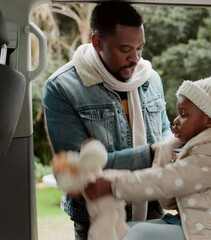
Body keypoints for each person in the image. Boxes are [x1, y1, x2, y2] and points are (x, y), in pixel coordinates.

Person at [42, 2, 172, 240]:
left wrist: (175, 151)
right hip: (99, 215)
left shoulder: (151, 78)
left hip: (152, 204)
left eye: (140, 48)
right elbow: (81, 168)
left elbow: (165, 132)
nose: (135, 58)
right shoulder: (61, 87)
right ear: (97, 42)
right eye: (125, 49)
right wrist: (153, 154)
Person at [85, 71, 211, 240]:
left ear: (209, 121)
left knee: (139, 234)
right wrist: (166, 148)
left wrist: (115, 186)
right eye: (178, 114)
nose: (176, 120)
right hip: (195, 224)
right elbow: (168, 200)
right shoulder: (197, 150)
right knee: (124, 231)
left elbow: (164, 180)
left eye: (184, 115)